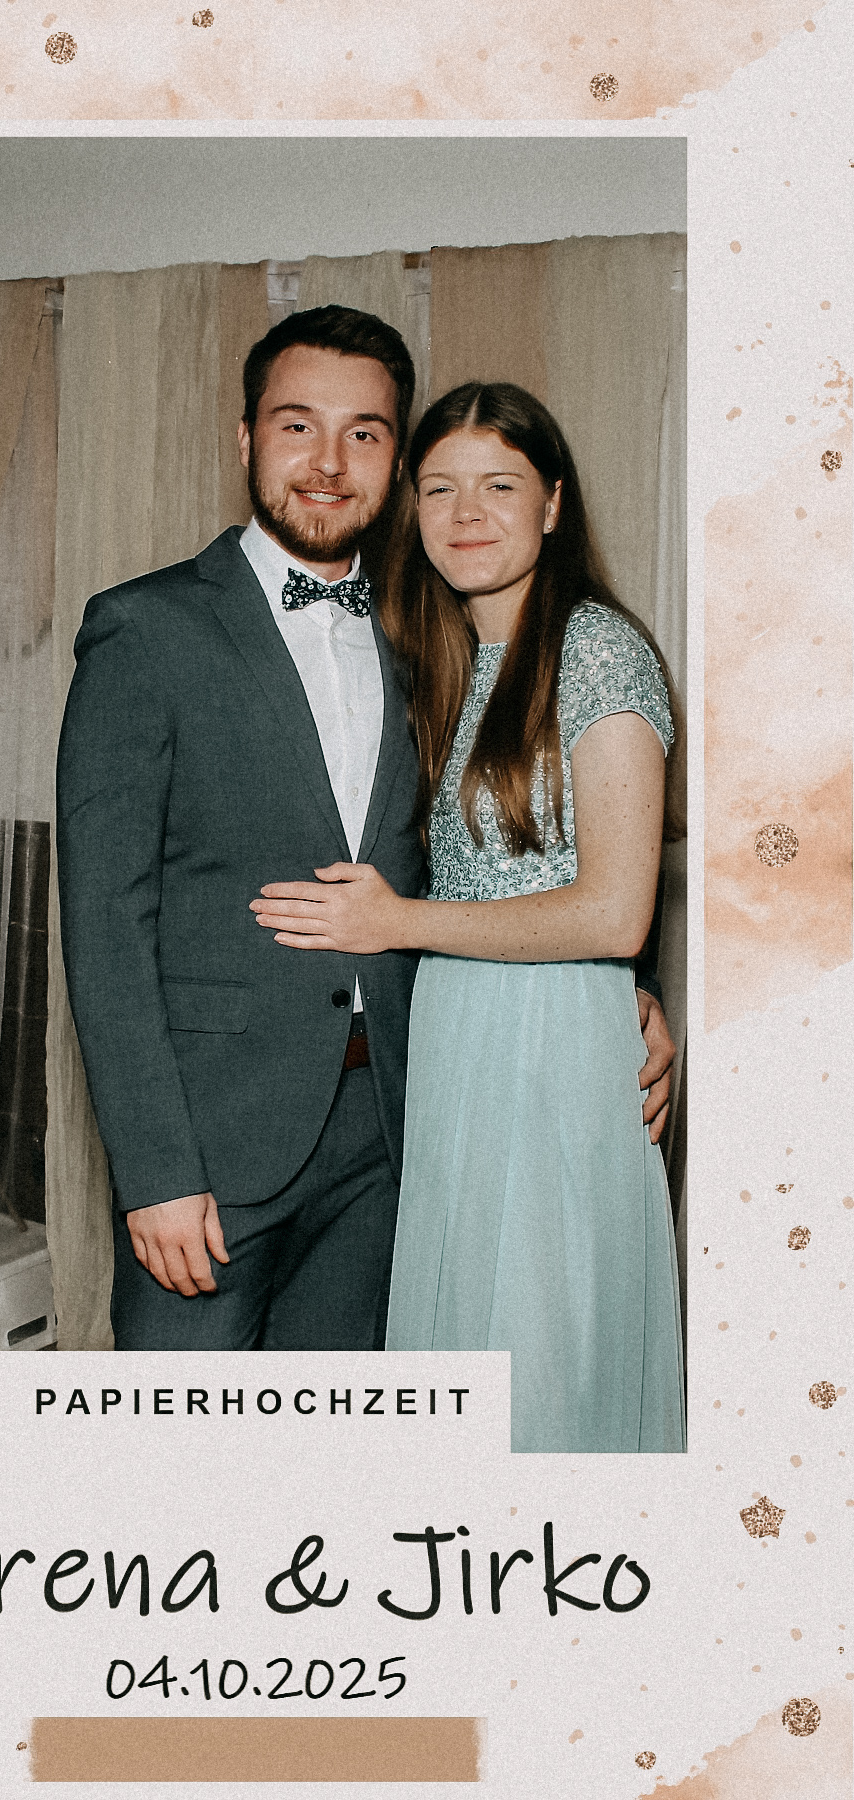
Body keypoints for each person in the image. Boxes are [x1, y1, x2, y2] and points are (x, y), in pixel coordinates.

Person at [58, 313, 675, 1354]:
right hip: (214, 1139)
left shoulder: (425, 635)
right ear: (245, 438)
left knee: (351, 1436)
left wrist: (625, 991)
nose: (330, 463)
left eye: (366, 433)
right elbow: (103, 920)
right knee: (174, 1439)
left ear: (392, 460)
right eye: (298, 425)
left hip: (398, 1125)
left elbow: (498, 845)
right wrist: (155, 1169)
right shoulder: (146, 628)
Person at [251, 381, 686, 1448]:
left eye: (499, 486)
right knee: (463, 1369)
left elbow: (615, 913)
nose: (466, 514)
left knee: (540, 1375)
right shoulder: (445, 654)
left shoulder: (597, 649)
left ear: (553, 503)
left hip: (548, 1057)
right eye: (440, 488)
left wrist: (398, 922)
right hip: (455, 1045)